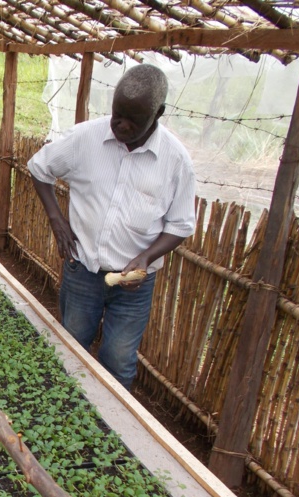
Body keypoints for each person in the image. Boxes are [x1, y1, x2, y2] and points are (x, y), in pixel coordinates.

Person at [28, 64, 196, 390]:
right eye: (117, 113)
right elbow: (39, 168)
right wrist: (56, 219)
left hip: (132, 285)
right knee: (71, 347)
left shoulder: (175, 162)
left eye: (133, 119)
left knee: (118, 359)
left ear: (158, 113)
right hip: (83, 271)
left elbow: (181, 224)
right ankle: (63, 414)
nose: (120, 124)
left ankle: (107, 431)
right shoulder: (85, 138)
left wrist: (146, 257)